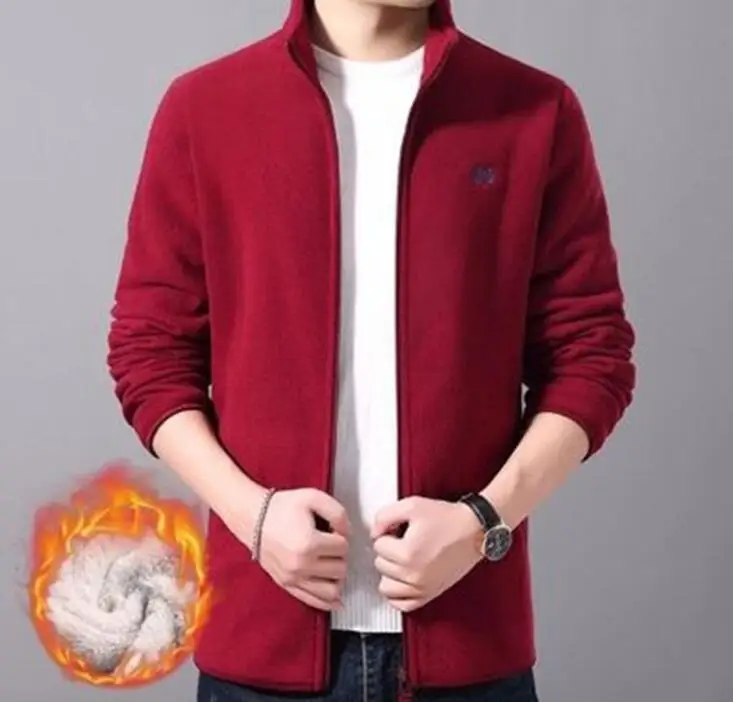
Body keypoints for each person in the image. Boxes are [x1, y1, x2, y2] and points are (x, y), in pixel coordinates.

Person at [106, 0, 636, 700]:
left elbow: (591, 355)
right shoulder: (207, 107)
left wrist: (483, 522)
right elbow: (150, 350)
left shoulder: (533, 109)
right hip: (261, 651)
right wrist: (252, 517)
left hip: (469, 650)